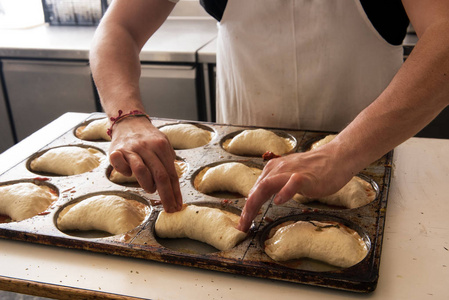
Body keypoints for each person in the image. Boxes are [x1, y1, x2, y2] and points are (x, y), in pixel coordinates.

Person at [89, 0, 449, 233]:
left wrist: (341, 153)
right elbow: (118, 28)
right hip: (238, 169)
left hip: (366, 165)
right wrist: (127, 117)